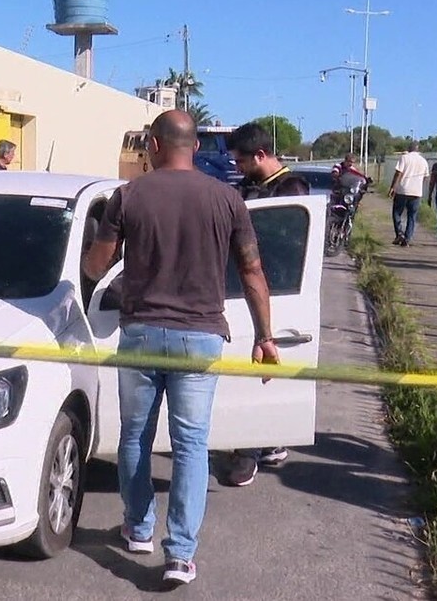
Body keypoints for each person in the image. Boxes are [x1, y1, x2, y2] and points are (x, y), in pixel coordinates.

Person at [83, 110, 279, 588]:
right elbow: (252, 273)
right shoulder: (227, 198)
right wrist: (265, 336)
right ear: (193, 147)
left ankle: (138, 528)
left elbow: (93, 266)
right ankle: (181, 555)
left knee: (135, 437)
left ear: (153, 145)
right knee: (191, 445)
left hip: (142, 334)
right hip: (200, 337)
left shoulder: (127, 197)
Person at [225, 122, 308, 487]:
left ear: (261, 155)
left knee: (258, 368)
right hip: (246, 284)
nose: (238, 168)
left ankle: (247, 450)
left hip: (278, 288)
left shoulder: (293, 190)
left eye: (241, 161)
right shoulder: (247, 188)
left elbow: (284, 243)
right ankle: (272, 441)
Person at [387, 142, 429, 246]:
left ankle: (399, 234)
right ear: (418, 150)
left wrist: (393, 187)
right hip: (416, 192)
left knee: (397, 213)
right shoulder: (423, 161)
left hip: (403, 190)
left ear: (409, 149)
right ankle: (408, 237)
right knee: (412, 216)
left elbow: (398, 173)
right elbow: (425, 177)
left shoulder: (404, 158)